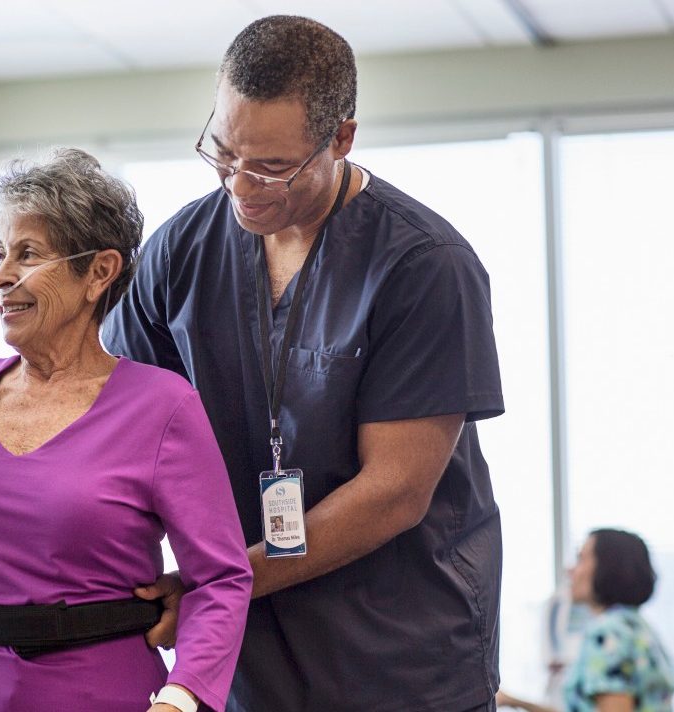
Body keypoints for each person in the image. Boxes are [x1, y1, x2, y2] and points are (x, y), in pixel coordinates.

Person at [102, 15, 505, 712]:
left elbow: (395, 492)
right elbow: (115, 418)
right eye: (223, 153)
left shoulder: (423, 266)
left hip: (401, 659)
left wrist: (217, 583)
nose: (240, 185)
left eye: (271, 167)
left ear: (342, 138)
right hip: (250, 662)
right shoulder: (182, 251)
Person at [0, 148, 252, 712]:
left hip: (102, 693)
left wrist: (181, 699)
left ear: (99, 272)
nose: (1, 275)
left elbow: (221, 580)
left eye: (27, 254)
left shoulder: (162, 408)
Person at [497, 529, 674, 712]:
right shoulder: (636, 627)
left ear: (607, 568)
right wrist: (514, 701)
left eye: (581, 559)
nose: (570, 570)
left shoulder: (607, 633)